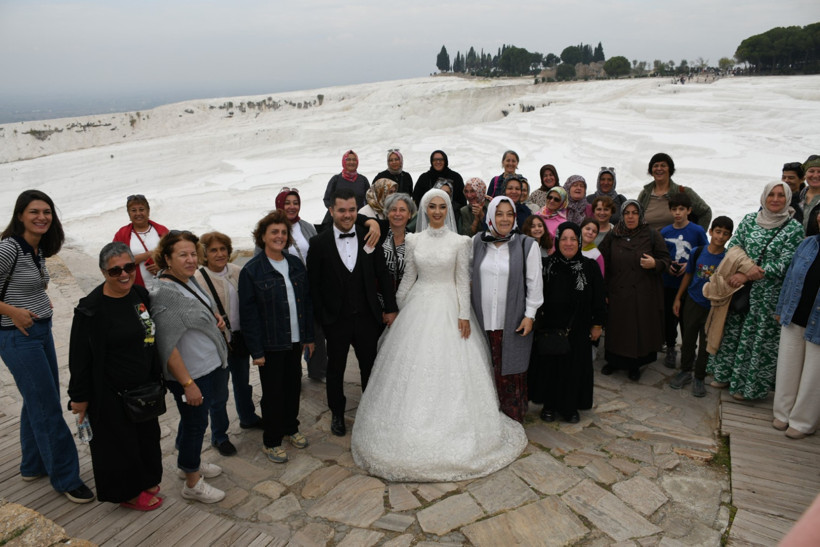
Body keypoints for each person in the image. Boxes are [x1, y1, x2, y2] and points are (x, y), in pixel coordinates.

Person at [350, 189, 527, 482]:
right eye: (430, 207)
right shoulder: (412, 239)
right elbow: (408, 278)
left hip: (449, 308)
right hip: (418, 307)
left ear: (447, 210)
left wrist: (463, 315)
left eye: (441, 207)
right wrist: (397, 311)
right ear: (423, 210)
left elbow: (462, 281)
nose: (436, 211)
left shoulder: (460, 242)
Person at [0, 190, 94, 504]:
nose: (42, 217)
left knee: (40, 399)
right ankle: (66, 477)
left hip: (41, 330)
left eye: (47, 212)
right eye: (34, 212)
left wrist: (39, 300)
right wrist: (13, 311)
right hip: (17, 335)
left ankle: (33, 464)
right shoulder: (8, 248)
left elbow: (24, 286)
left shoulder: (37, 248)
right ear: (20, 215)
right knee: (48, 408)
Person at [68, 242, 163, 510]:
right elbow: (79, 356)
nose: (123, 274)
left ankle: (144, 480)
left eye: (129, 267)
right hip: (109, 392)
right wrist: (79, 397)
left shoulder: (139, 294)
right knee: (118, 446)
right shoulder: (91, 309)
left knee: (145, 439)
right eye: (115, 271)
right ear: (103, 272)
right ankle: (128, 494)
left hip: (142, 387)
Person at [306, 188, 398, 437]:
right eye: (341, 210)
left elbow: (383, 275)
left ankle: (370, 410)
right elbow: (313, 285)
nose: (347, 215)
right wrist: (321, 319)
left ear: (357, 211)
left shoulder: (370, 235)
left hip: (368, 316)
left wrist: (390, 309)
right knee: (336, 368)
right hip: (336, 320)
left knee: (370, 366)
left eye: (351, 210)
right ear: (331, 211)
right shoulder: (318, 243)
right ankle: (337, 413)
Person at [150, 230, 228, 504]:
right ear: (167, 259)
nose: (191, 259)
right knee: (196, 425)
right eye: (182, 254)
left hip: (207, 366)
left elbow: (197, 313)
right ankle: (192, 484)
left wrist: (214, 318)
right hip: (191, 374)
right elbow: (166, 345)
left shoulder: (187, 281)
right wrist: (187, 384)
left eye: (193, 253)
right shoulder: (164, 293)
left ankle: (188, 464)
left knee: (193, 421)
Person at [707, 181, 804, 400]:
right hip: (740, 288)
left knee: (756, 340)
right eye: (771, 194)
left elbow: (786, 263)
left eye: (781, 195)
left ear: (788, 199)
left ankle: (747, 387)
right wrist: (746, 269)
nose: (776, 199)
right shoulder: (750, 220)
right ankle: (724, 375)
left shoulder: (794, 228)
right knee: (733, 332)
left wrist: (748, 273)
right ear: (764, 196)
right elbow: (735, 247)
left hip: (767, 296)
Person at [240, 211, 315, 463]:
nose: (280, 236)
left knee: (293, 387)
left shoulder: (295, 264)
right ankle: (271, 440)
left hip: (295, 340)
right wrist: (257, 351)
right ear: (262, 237)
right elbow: (248, 315)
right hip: (271, 343)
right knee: (273, 393)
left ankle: (290, 428)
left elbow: (306, 302)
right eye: (274, 232)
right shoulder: (252, 270)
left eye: (283, 232)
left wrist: (309, 337)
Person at [472, 196, 543, 422]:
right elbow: (465, 277)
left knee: (511, 372)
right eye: (499, 213)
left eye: (509, 213)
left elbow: (534, 283)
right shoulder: (476, 242)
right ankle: (487, 421)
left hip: (512, 322)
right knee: (484, 371)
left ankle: (511, 419)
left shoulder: (526, 244)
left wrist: (529, 315)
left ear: (515, 217)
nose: (504, 218)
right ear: (490, 215)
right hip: (482, 322)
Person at [193, 231, 263, 455]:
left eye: (223, 249)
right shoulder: (198, 278)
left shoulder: (238, 271)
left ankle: (248, 417)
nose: (220, 254)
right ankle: (219, 435)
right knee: (218, 393)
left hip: (238, 339)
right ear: (204, 253)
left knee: (243, 383)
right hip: (216, 345)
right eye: (213, 250)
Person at [535, 222, 606, 423]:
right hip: (551, 328)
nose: (568, 243)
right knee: (551, 368)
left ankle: (570, 407)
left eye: (573, 239)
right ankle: (549, 405)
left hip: (578, 329)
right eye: (564, 238)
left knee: (574, 370)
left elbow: (599, 298)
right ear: (557, 240)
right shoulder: (546, 265)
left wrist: (598, 324)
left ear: (579, 241)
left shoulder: (590, 267)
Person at [598, 200, 671, 381]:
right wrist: (604, 290)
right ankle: (613, 362)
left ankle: (635, 365)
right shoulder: (613, 235)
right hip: (618, 290)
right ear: (622, 216)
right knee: (617, 329)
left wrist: (655, 263)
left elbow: (666, 260)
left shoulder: (652, 234)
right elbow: (602, 262)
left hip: (642, 292)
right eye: (627, 213)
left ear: (640, 215)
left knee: (637, 330)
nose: (630, 217)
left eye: (634, 213)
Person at [669, 217, 734, 397]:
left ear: (730, 236)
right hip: (693, 301)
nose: (720, 237)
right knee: (688, 339)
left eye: (725, 234)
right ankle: (685, 371)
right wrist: (678, 298)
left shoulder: (727, 258)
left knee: (706, 343)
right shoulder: (698, 252)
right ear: (711, 231)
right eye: (718, 232)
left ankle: (699, 377)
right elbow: (688, 275)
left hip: (713, 307)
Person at [773, 231, 820, 439]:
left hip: (818, 324)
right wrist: (781, 307)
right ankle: (782, 413)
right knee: (787, 366)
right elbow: (790, 276)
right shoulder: (808, 243)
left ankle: (802, 422)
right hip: (794, 314)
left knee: (813, 375)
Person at [659, 193, 709, 368]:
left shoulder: (697, 231)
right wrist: (668, 265)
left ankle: (689, 350)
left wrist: (689, 265)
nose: (678, 213)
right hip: (668, 282)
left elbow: (704, 252)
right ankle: (671, 347)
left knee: (687, 320)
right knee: (669, 318)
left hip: (688, 284)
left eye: (681, 209)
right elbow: (661, 255)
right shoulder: (665, 232)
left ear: (689, 210)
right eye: (674, 209)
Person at [637, 152, 712, 231]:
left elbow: (706, 212)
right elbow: (637, 219)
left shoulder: (684, 192)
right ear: (651, 171)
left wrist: (697, 236)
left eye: (663, 165)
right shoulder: (644, 194)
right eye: (655, 166)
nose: (659, 168)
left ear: (670, 169)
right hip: (649, 242)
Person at [113, 194, 169, 289]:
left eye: (141, 209)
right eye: (133, 210)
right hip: (137, 289)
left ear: (148, 211)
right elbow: (116, 261)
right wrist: (147, 255)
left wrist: (162, 266)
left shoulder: (162, 231)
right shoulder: (122, 234)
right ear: (129, 213)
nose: (138, 213)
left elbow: (174, 257)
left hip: (165, 286)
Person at [379, 193, 416, 298]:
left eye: (402, 210)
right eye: (393, 209)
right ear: (387, 213)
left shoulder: (413, 240)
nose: (397, 214)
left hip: (405, 298)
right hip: (378, 299)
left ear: (409, 214)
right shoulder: (378, 233)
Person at [322, 150, 370, 223]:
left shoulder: (363, 180)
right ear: (344, 162)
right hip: (337, 219)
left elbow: (368, 200)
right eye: (348, 159)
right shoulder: (336, 179)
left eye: (354, 160)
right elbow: (327, 199)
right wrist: (336, 212)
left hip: (358, 218)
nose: (351, 162)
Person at [798, 155, 820, 234]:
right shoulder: (796, 197)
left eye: (819, 171)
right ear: (805, 174)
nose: (815, 175)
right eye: (811, 171)